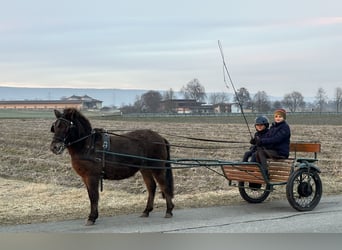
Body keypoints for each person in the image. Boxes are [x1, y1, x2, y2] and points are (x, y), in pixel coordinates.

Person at [255, 108, 291, 176]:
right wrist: (257, 140)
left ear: (284, 118)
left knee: (261, 152)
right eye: (276, 116)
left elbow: (276, 139)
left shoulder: (285, 127)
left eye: (280, 117)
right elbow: (267, 136)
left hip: (281, 152)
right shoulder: (273, 127)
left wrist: (262, 141)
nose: (278, 118)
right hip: (273, 150)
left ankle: (265, 171)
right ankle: (256, 171)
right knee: (257, 151)